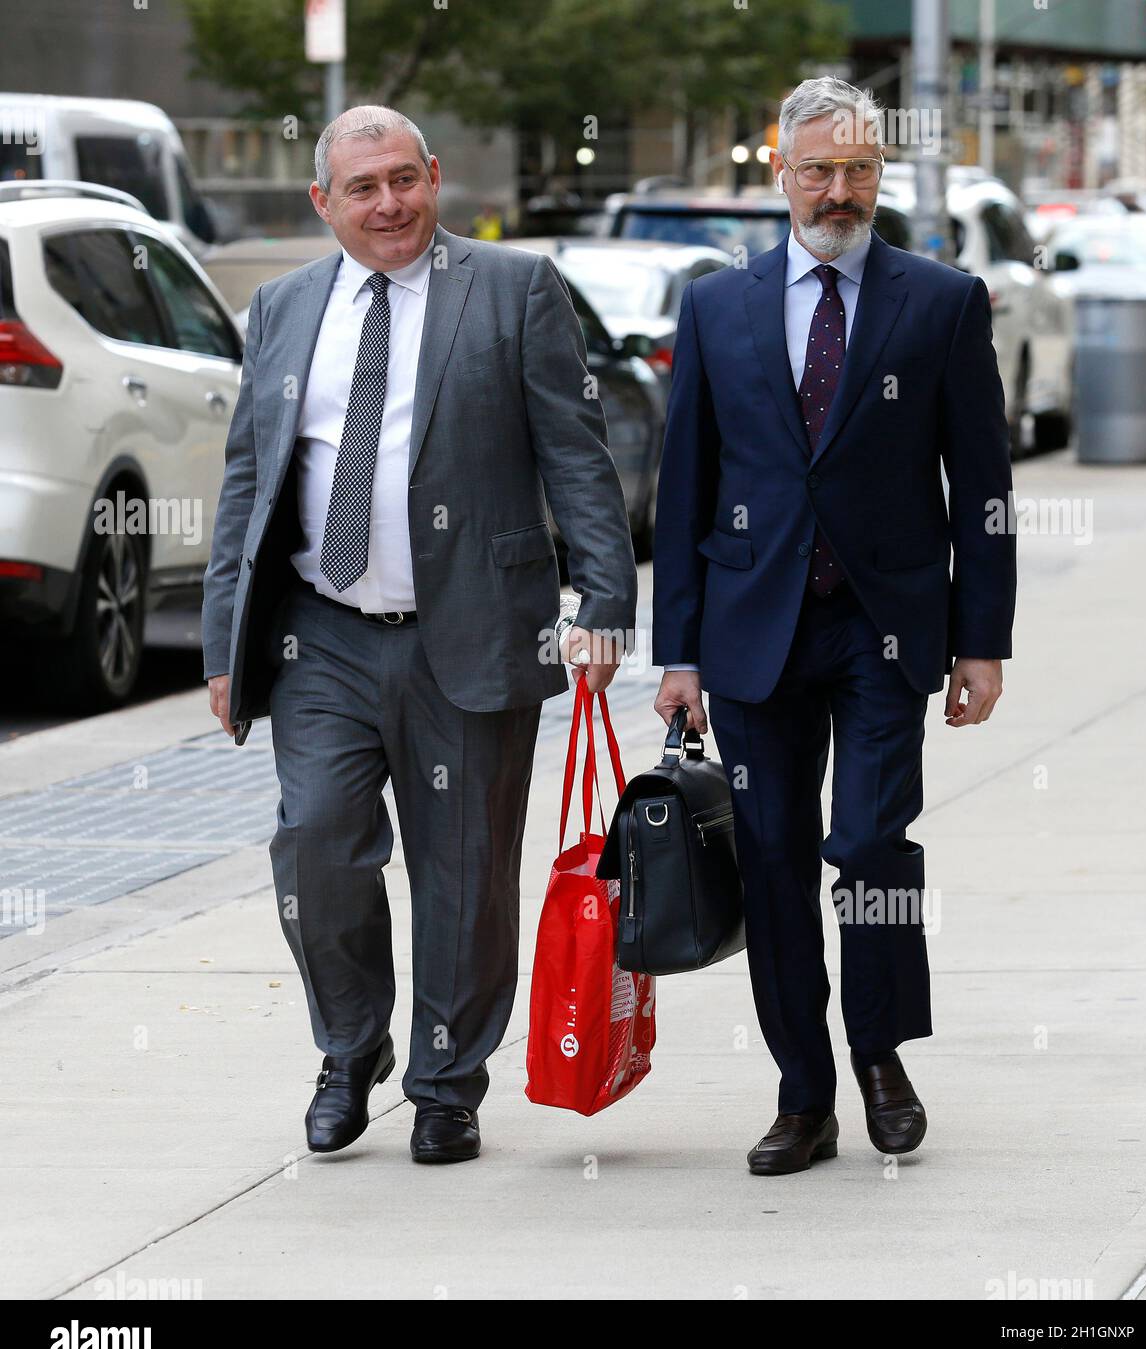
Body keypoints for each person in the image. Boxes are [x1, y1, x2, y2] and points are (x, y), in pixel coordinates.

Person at [202, 106, 636, 1165]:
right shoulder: (280, 309)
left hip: (476, 631)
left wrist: (604, 599)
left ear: (434, 177)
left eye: (403, 179)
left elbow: (573, 454)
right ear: (324, 203)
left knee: (465, 870)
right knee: (316, 841)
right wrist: (224, 645)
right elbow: (248, 484)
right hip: (321, 641)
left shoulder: (512, 290)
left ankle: (446, 1081)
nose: (388, 203)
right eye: (362, 188)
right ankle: (350, 1048)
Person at [652, 76, 1016, 1175]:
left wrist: (980, 638)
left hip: (882, 629)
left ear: (879, 174)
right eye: (818, 169)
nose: (839, 189)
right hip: (751, 627)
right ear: (778, 173)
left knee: (865, 844)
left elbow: (981, 483)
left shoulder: (941, 301)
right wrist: (676, 649)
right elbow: (683, 489)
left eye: (859, 169)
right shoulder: (718, 306)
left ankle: (879, 1055)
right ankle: (800, 1093)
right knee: (768, 860)